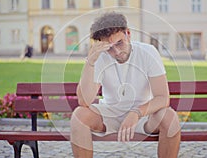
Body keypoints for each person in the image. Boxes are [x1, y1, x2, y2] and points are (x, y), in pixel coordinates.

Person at [70, 12, 181, 158]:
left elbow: (162, 98)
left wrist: (136, 113)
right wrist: (90, 63)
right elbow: (84, 101)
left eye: (119, 43)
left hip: (144, 116)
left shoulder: (147, 52)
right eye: (109, 48)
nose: (117, 52)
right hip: (110, 114)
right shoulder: (99, 57)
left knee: (170, 117)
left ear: (128, 33)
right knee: (79, 116)